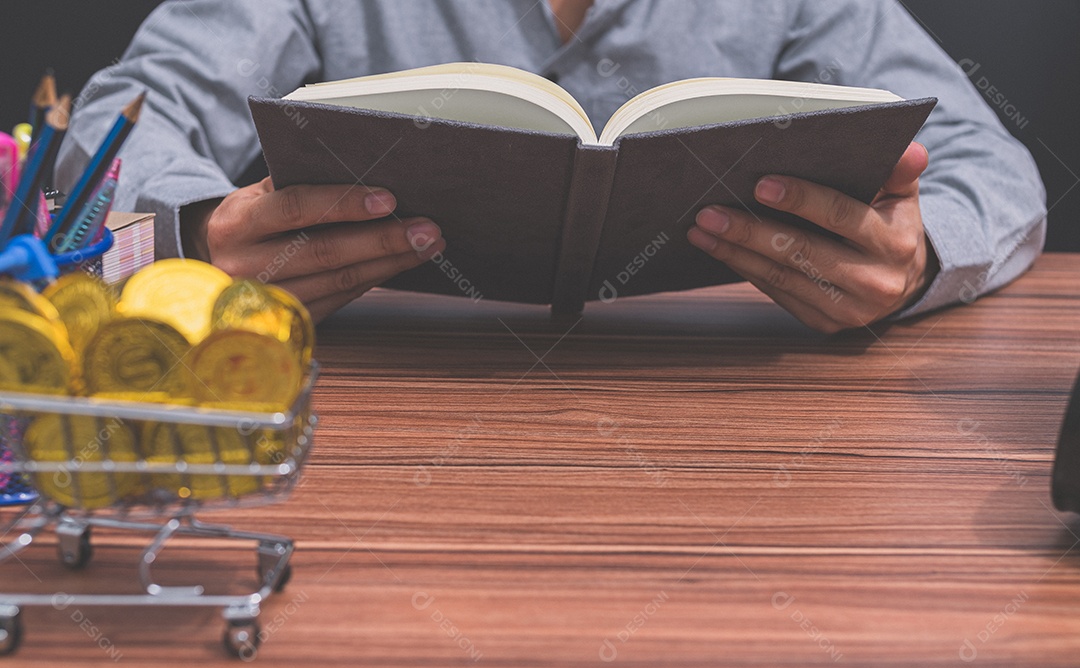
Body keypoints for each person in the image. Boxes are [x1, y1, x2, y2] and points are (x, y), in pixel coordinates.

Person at [56, 0, 1046, 330]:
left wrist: (913, 264)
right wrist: (190, 237)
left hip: (736, 441)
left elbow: (992, 169)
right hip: (372, 441)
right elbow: (111, 134)